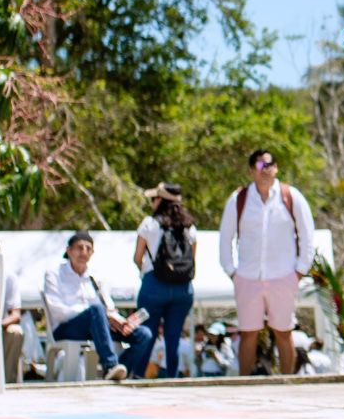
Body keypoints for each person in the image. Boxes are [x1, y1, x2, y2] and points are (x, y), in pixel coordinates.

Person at [219, 149, 315, 376]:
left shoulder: (291, 197)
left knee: (283, 331)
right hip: (248, 276)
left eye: (269, 165)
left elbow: (307, 235)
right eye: (260, 165)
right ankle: (244, 383)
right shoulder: (239, 199)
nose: (265, 170)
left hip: (283, 275)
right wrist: (232, 271)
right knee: (248, 333)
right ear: (251, 170)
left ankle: (287, 382)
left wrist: (299, 271)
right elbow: (225, 237)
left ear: (276, 168)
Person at [42, 231, 155, 382]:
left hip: (98, 328)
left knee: (144, 334)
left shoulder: (95, 277)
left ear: (92, 253)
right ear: (69, 251)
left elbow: (109, 308)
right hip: (66, 329)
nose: (84, 252)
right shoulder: (54, 274)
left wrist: (120, 321)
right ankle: (110, 365)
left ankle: (118, 372)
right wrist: (98, 315)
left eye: (88, 248)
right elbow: (58, 312)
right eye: (79, 248)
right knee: (96, 310)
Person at [132, 182, 197, 380]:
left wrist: (146, 272)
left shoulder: (149, 223)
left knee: (147, 333)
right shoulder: (189, 227)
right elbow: (192, 260)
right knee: (173, 338)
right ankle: (172, 378)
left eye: (155, 198)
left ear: (161, 200)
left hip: (154, 285)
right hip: (183, 288)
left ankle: (138, 376)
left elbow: (137, 257)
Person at [1, 243, 23, 384]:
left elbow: (15, 314)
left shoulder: (8, 276)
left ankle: (7, 383)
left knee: (15, 332)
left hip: (0, 327)